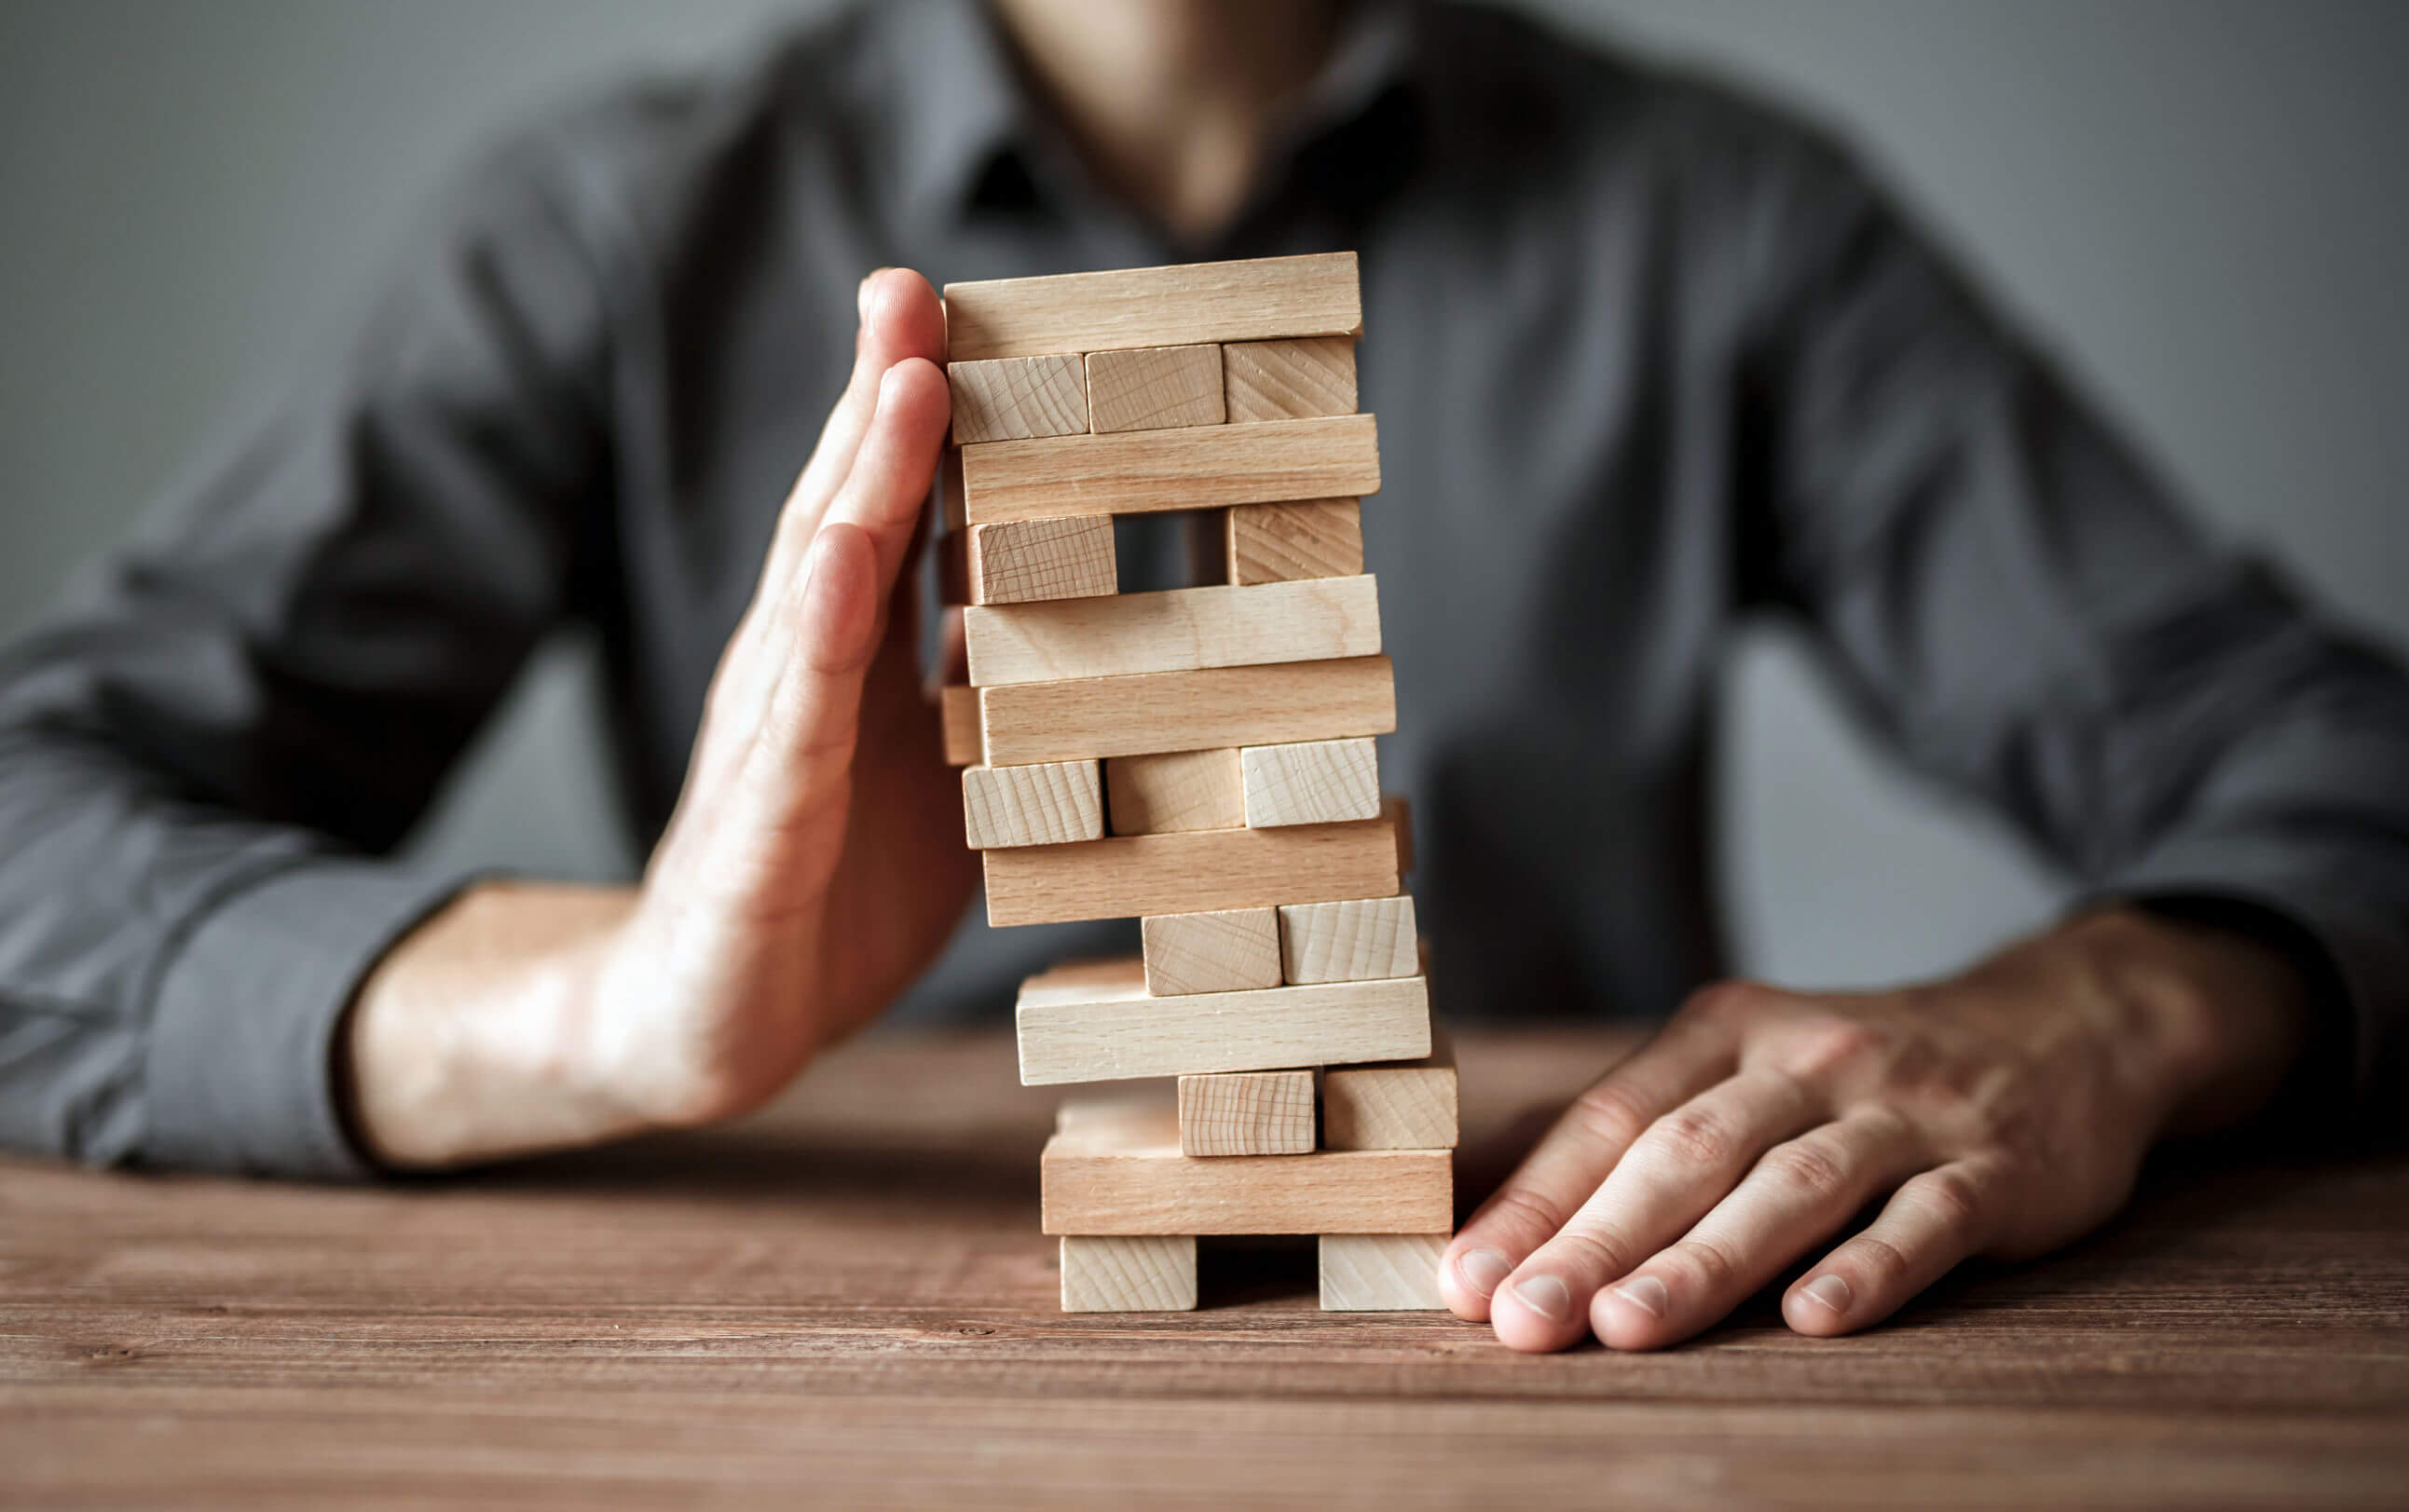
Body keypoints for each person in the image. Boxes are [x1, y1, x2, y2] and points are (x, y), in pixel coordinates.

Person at [1, 0, 2402, 1357]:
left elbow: (2335, 758)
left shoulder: (1728, 220)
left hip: (1554, 1335)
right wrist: (606, 1004)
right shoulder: (612, 233)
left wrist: (2113, 1004)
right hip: (854, 1369)